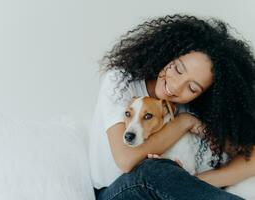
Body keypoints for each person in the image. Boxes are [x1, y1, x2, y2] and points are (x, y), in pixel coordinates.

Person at [88, 14, 255, 200]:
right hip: (114, 192)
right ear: (169, 55)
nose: (175, 87)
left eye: (192, 88)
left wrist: (195, 181)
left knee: (164, 171)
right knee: (153, 169)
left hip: (171, 189)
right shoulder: (121, 81)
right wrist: (184, 122)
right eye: (177, 69)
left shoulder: (194, 107)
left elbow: (252, 157)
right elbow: (126, 160)